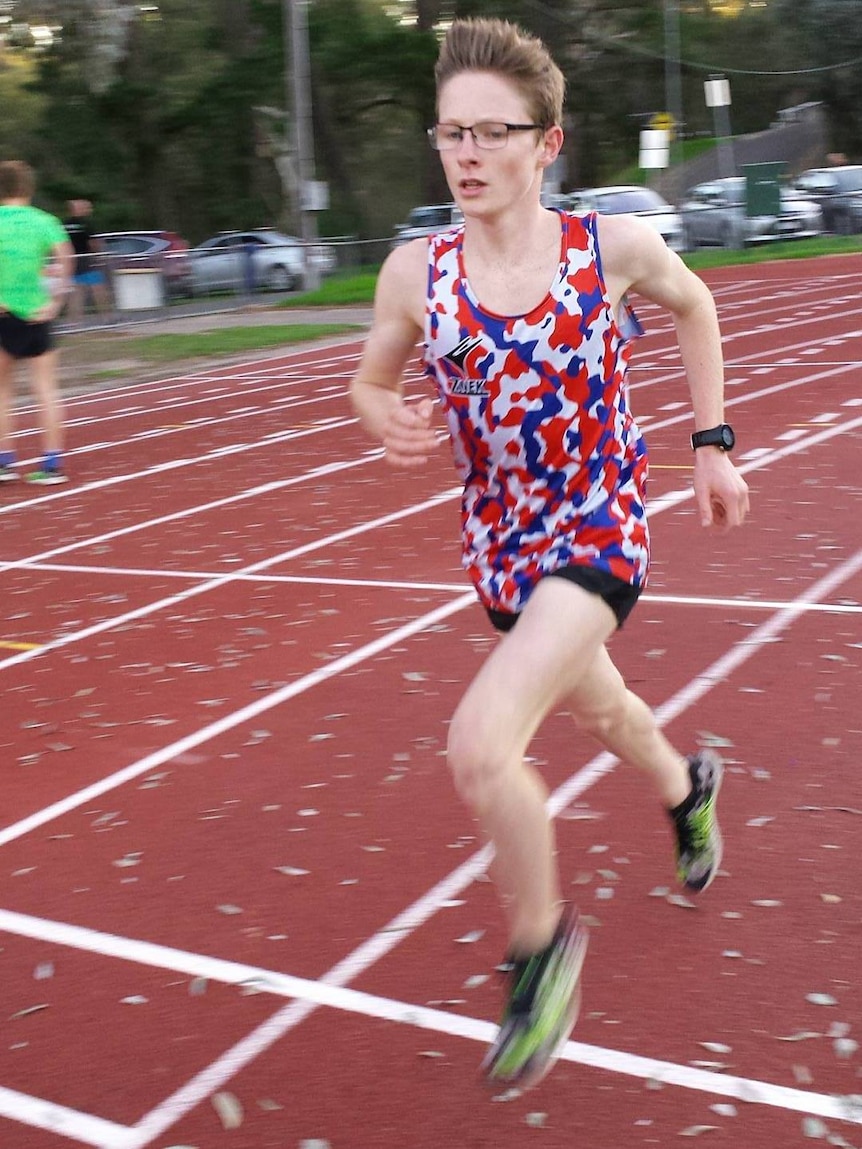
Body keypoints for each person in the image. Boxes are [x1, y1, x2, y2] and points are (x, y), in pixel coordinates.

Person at [350, 18, 750, 1089]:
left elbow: (695, 305)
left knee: (481, 744)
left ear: (547, 143)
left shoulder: (605, 249)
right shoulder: (412, 276)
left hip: (600, 528)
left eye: (492, 132)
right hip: (502, 553)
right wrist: (379, 411)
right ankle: (686, 787)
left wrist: (710, 444)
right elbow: (373, 376)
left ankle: (539, 957)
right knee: (602, 710)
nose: (466, 153)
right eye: (449, 133)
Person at [0, 160, 75, 485]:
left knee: (2, 392)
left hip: (3, 314)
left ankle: (4, 462)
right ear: (28, 188)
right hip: (38, 313)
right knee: (46, 390)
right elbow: (66, 258)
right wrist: (56, 301)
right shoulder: (46, 221)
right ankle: (52, 464)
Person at [63, 198, 111, 321]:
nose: (89, 210)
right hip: (86, 259)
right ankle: (106, 317)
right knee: (98, 288)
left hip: (72, 261)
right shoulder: (86, 224)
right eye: (86, 208)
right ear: (78, 209)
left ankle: (74, 320)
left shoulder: (64, 224)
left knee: (77, 292)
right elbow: (93, 242)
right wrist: (98, 255)